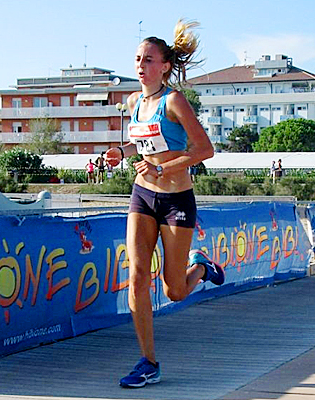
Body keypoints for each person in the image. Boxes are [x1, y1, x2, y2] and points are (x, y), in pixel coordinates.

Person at [104, 19, 224, 388]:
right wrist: (119, 152)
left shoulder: (174, 101)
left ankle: (200, 268)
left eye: (149, 59)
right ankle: (148, 361)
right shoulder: (133, 101)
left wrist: (163, 168)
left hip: (175, 199)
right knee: (137, 277)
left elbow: (205, 150)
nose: (141, 65)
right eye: (138, 58)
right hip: (142, 194)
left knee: (173, 289)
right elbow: (139, 147)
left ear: (165, 66)